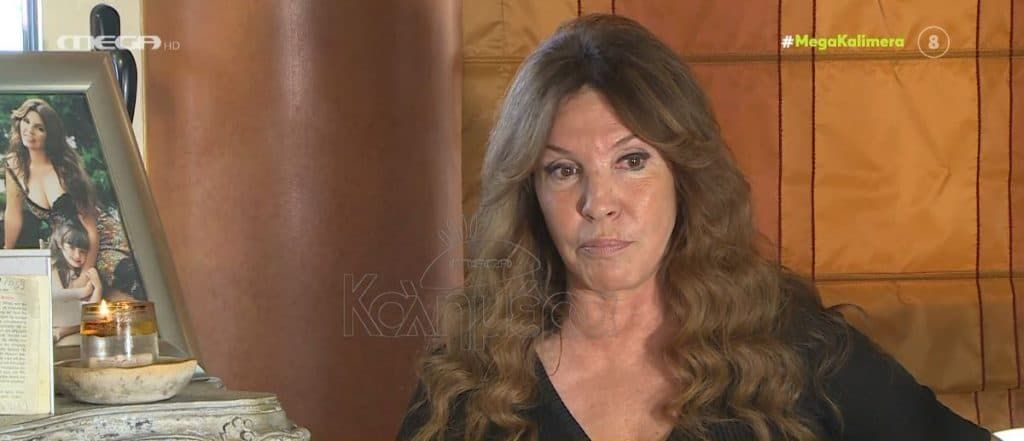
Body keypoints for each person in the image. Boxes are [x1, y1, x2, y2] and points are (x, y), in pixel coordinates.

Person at [396, 15, 995, 441]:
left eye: (633, 161)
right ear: (531, 194)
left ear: (684, 175)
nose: (599, 204)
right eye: (563, 170)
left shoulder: (795, 351)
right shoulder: (471, 386)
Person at [3, 98, 141, 297]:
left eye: (39, 128)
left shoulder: (66, 171)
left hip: (101, 237)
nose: (29, 131)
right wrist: (6, 254)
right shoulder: (14, 164)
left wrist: (84, 275)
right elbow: (13, 214)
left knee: (122, 276)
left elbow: (92, 229)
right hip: (71, 244)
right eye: (26, 122)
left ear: (50, 135)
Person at [48, 219, 103, 343]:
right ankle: (61, 331)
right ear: (60, 244)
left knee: (95, 316)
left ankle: (62, 331)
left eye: (83, 251)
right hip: (54, 314)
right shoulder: (53, 266)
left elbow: (91, 312)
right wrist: (83, 291)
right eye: (71, 248)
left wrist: (98, 289)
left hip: (72, 317)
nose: (77, 256)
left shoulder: (82, 272)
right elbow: (54, 295)